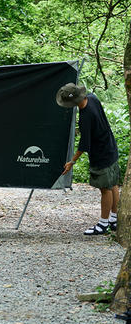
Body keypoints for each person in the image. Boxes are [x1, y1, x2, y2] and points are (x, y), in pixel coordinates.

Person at [56, 83, 120, 235]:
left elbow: (84, 144)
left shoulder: (86, 116)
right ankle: (114, 218)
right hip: (110, 147)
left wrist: (71, 162)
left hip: (101, 154)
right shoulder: (93, 98)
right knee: (113, 184)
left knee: (105, 189)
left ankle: (103, 224)